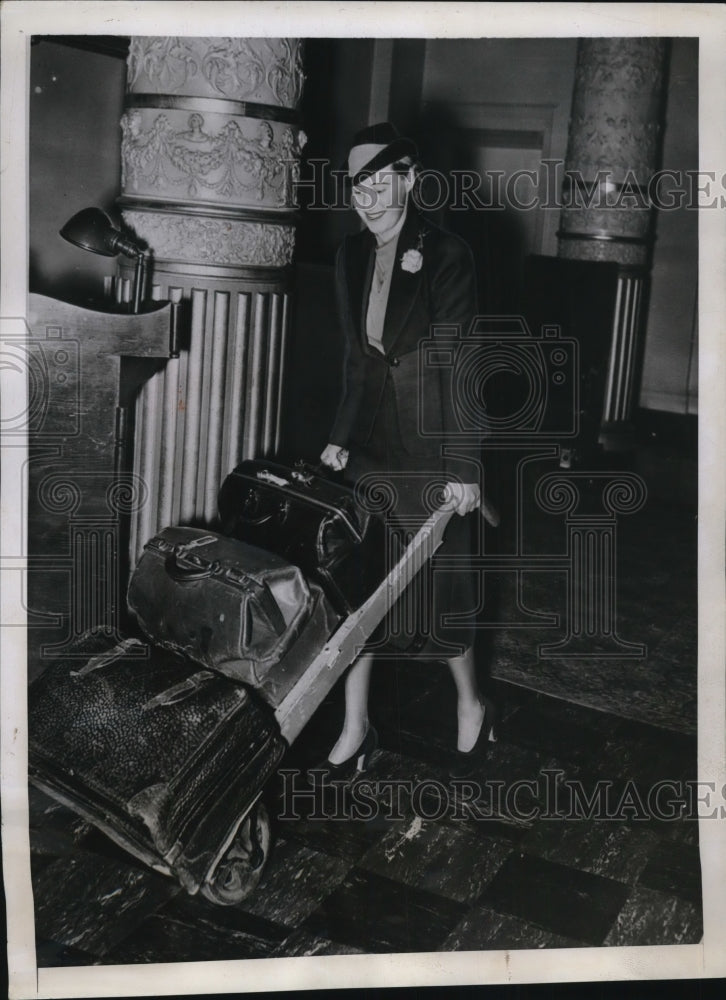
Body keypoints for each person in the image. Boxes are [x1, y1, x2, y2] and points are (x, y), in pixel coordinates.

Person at [319, 122, 496, 780]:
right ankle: (355, 722)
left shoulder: (446, 254)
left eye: (379, 182)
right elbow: (357, 360)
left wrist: (465, 469)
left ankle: (471, 701)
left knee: (440, 587)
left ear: (409, 180)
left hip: (433, 443)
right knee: (359, 585)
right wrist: (340, 436)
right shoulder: (347, 257)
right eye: (357, 185)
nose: (367, 197)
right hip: (372, 447)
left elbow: (465, 363)